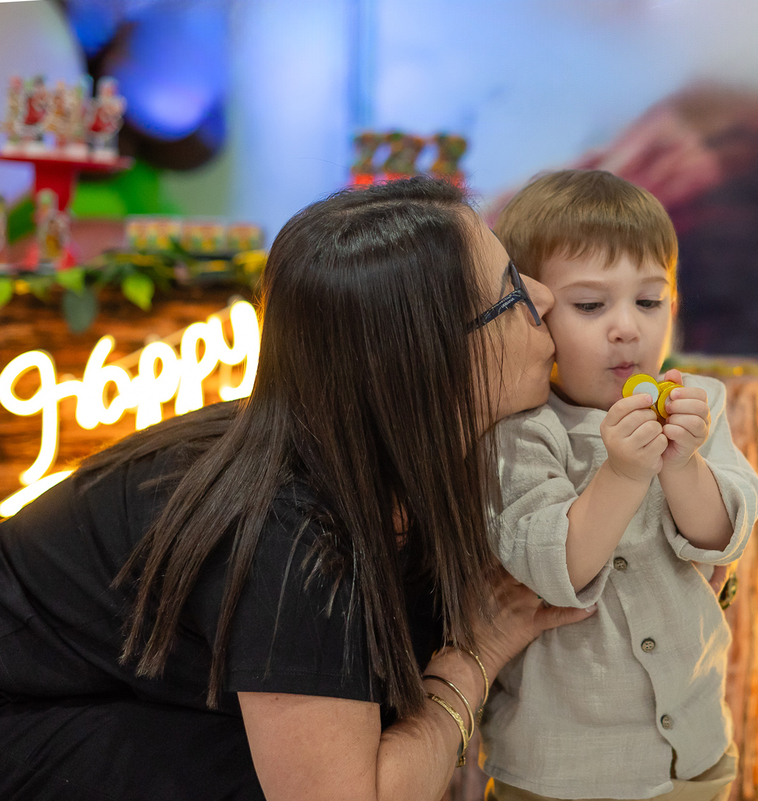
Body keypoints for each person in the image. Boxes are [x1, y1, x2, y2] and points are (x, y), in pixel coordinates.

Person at [0, 177, 598, 801]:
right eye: (510, 292)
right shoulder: (291, 531)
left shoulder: (378, 447)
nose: (545, 295)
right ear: (431, 357)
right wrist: (475, 653)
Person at [481, 170, 758, 801]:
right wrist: (625, 473)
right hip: (559, 770)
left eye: (648, 301)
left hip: (691, 754)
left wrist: (683, 464)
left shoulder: (698, 403)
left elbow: (724, 536)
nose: (627, 328)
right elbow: (555, 565)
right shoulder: (524, 431)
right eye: (590, 306)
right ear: (533, 316)